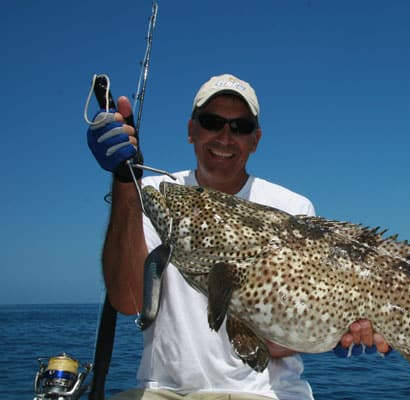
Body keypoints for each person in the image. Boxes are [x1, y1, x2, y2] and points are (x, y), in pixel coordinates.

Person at [87, 73, 390, 400]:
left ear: (256, 139)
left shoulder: (292, 207)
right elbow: (127, 299)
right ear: (191, 130)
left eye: (240, 127)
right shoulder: (150, 193)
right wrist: (123, 182)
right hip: (163, 391)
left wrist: (337, 335)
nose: (225, 137)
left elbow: (276, 344)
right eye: (211, 122)